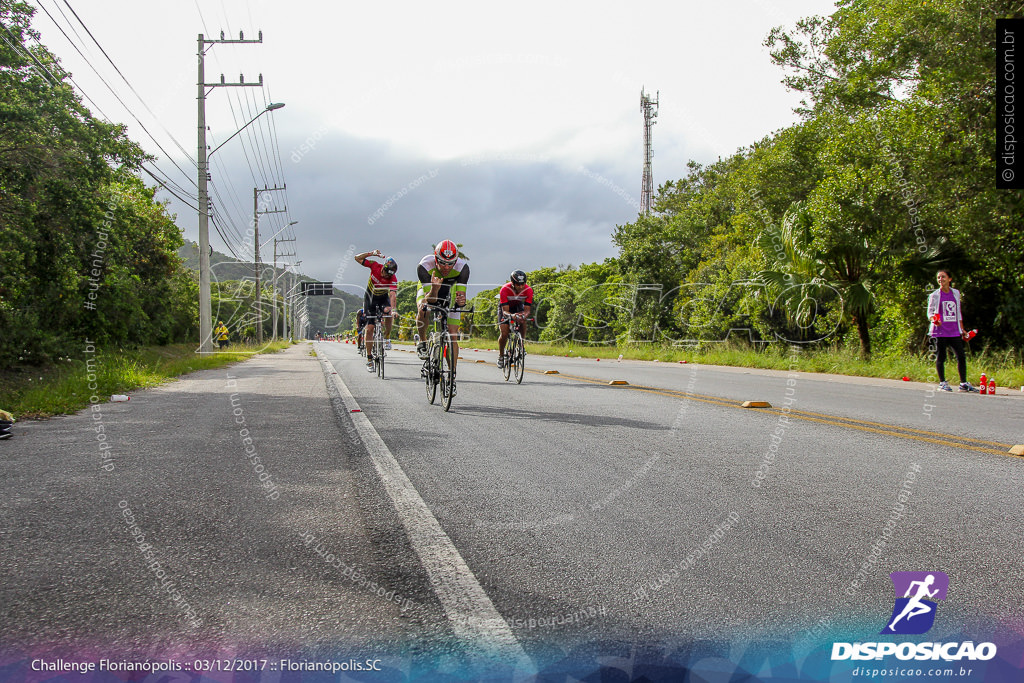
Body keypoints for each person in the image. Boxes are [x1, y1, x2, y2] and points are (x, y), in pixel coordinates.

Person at [415, 240, 469, 396]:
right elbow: (431, 301)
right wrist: (434, 289)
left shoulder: (462, 268)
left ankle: (452, 377)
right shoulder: (424, 266)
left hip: (448, 293)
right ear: (435, 258)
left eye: (450, 263)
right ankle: (423, 341)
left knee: (452, 335)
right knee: (423, 309)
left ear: (456, 260)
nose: (446, 267)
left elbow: (460, 296)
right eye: (442, 263)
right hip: (429, 291)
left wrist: (461, 300)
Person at [927, 269, 976, 392]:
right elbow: (930, 313)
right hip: (940, 330)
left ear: (950, 279)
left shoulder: (955, 293)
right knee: (941, 357)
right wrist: (934, 319)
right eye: (938, 277)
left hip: (953, 330)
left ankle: (963, 383)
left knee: (961, 356)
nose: (940, 280)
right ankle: (942, 382)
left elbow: (958, 312)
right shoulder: (934, 295)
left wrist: (962, 329)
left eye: (943, 277)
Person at [355, 249, 398, 372]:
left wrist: (393, 310)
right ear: (383, 267)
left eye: (388, 275)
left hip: (383, 298)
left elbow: (393, 294)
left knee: (389, 312)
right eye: (385, 272)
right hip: (370, 299)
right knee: (370, 329)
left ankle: (387, 338)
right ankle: (369, 359)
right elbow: (357, 258)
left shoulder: (392, 277)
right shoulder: (375, 266)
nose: (385, 276)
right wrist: (371, 253)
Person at [497, 270, 533, 369]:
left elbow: (527, 310)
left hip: (518, 306)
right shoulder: (505, 289)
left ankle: (521, 344)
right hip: (506, 308)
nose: (521, 287)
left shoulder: (528, 290)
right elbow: (505, 311)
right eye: (518, 284)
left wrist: (523, 315)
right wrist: (512, 316)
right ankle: (501, 356)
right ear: (512, 283)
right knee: (504, 332)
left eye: (523, 284)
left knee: (523, 320)